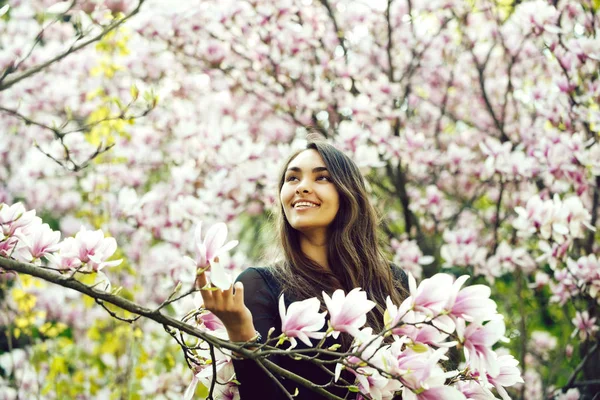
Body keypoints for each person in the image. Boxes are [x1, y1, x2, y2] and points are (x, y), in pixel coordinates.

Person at [197, 140, 408, 399]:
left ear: (348, 193)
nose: (302, 187)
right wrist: (241, 334)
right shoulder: (259, 286)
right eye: (292, 178)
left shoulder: (392, 281)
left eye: (322, 178)